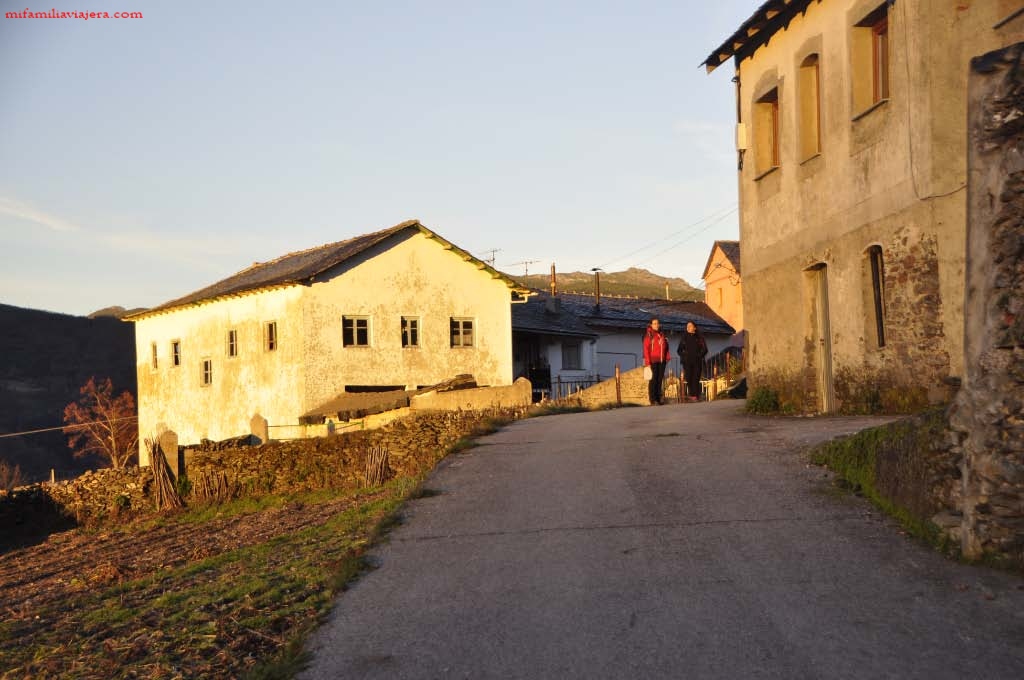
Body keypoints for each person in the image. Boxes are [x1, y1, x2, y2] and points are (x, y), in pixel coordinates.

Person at [642, 317, 670, 405]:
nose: (656, 325)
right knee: (653, 380)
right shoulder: (649, 335)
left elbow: (665, 347)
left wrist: (667, 357)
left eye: (657, 323)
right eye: (654, 323)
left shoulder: (661, 334)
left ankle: (658, 398)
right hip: (653, 360)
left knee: (659, 379)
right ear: (651, 325)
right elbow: (646, 350)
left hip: (662, 360)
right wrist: (647, 363)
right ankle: (652, 399)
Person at [677, 321, 708, 402]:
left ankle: (695, 396)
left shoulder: (699, 337)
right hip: (687, 362)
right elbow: (679, 350)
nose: (688, 327)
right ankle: (692, 394)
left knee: (695, 378)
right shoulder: (684, 338)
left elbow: (705, 349)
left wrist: (699, 356)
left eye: (690, 326)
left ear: (694, 327)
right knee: (689, 378)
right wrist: (684, 356)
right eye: (687, 326)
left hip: (697, 362)